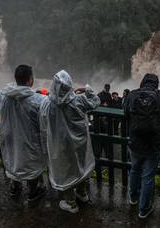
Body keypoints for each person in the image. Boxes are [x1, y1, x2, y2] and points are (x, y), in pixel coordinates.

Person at [39, 70, 100, 213]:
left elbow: (43, 126)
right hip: (80, 143)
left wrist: (44, 145)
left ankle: (71, 202)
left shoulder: (47, 104)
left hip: (60, 144)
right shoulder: (79, 100)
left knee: (65, 170)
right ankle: (82, 193)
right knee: (81, 166)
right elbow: (96, 101)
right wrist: (87, 89)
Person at [123, 73, 160, 218]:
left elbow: (126, 113)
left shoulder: (132, 94)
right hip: (154, 143)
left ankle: (133, 198)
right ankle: (143, 210)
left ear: (142, 82)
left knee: (135, 169)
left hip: (135, 141)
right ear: (156, 83)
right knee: (148, 177)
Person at [0, 65, 47, 202]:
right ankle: (33, 191)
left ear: (16, 78)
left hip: (10, 136)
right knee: (31, 163)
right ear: (30, 79)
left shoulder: (5, 95)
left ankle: (15, 187)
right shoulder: (38, 100)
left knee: (13, 159)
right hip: (29, 139)